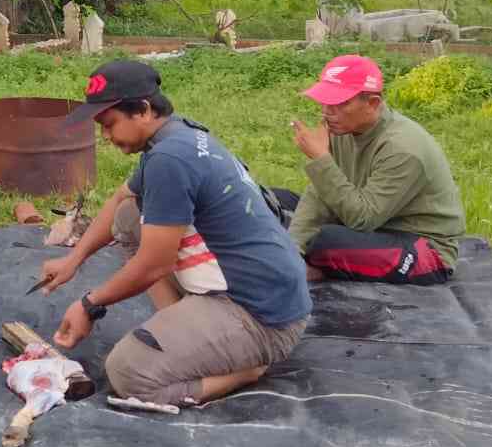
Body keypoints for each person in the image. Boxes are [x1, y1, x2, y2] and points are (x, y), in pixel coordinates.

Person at [38, 61, 311, 410]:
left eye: (109, 124)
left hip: (261, 317)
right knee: (129, 217)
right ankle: (184, 327)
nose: (105, 136)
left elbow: (154, 265)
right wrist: (73, 260)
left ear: (144, 110)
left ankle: (244, 371)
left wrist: (89, 304)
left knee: (129, 374)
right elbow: (121, 199)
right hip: (273, 292)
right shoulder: (178, 135)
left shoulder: (170, 158)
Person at [285, 54, 465, 285]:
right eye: (325, 101)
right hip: (375, 227)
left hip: (422, 247)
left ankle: (315, 270)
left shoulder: (403, 148)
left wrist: (321, 159)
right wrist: (292, 250)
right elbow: (320, 195)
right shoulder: (341, 130)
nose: (327, 112)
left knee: (327, 240)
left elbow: (363, 219)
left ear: (372, 104)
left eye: (340, 103)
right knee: (278, 206)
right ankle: (303, 262)